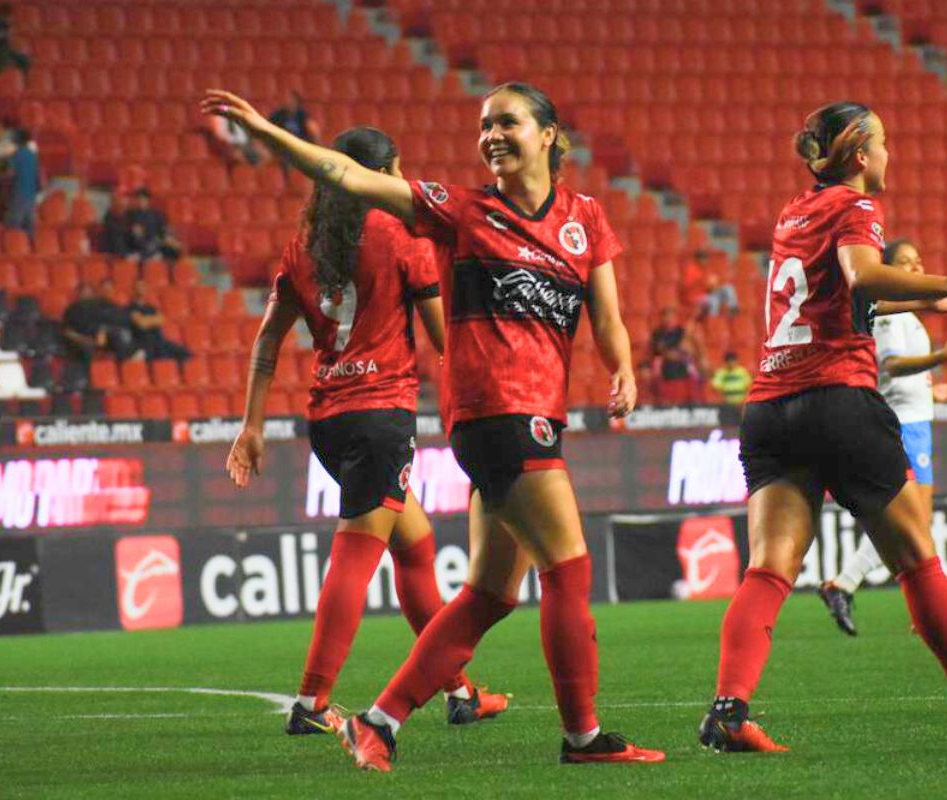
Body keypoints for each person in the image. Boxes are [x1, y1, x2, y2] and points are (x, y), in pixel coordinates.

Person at [204, 82, 663, 769]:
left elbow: (608, 314)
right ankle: (584, 737)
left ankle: (380, 721)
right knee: (568, 570)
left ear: (548, 134)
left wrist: (622, 368)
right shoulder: (462, 210)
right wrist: (268, 134)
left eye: (507, 122)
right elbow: (342, 173)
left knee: (489, 594)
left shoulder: (586, 218)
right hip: (497, 412)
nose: (492, 135)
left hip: (529, 413)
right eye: (484, 126)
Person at [696, 101, 947, 753]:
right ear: (859, 154)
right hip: (837, 400)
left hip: (771, 405)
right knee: (915, 555)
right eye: (883, 143)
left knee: (768, 569)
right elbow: (859, 273)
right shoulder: (856, 208)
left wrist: (921, 299)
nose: (889, 155)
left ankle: (729, 712)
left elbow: (848, 291)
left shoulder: (793, 214)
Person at [227, 126, 509, 738]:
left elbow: (270, 338)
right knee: (356, 556)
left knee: (416, 545)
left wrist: (251, 424)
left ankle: (459, 690)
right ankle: (312, 700)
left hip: (330, 420)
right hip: (382, 416)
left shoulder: (304, 245)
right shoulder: (401, 234)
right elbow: (443, 337)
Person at [818, 238, 947, 635]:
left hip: (915, 419)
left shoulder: (909, 316)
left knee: (915, 525)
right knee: (913, 525)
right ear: (889, 270)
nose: (916, 268)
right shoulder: (889, 316)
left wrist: (934, 390)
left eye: (919, 261)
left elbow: (900, 378)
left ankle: (848, 586)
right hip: (904, 425)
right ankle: (920, 607)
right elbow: (893, 365)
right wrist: (943, 358)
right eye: (905, 262)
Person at [62, 282, 141, 367]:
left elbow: (114, 318)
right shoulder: (72, 310)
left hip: (106, 335)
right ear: (78, 294)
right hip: (85, 338)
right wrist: (84, 339)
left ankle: (125, 368)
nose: (87, 294)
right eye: (84, 292)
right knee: (87, 348)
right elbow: (67, 331)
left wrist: (103, 330)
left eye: (89, 292)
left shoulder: (101, 305)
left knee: (122, 334)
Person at [125, 279, 191, 362]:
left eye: (143, 286)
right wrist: (153, 320)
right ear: (133, 289)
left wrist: (147, 320)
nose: (141, 288)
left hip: (160, 341)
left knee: (185, 353)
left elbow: (162, 320)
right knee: (163, 358)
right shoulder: (130, 308)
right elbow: (142, 323)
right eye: (138, 286)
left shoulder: (151, 307)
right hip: (144, 344)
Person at [648, 306, 704, 404]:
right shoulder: (658, 333)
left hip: (682, 366)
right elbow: (660, 351)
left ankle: (696, 400)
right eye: (666, 316)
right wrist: (673, 354)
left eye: (671, 316)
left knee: (694, 369)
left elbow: (689, 349)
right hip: (665, 367)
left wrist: (682, 352)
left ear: (675, 317)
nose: (668, 319)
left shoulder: (681, 332)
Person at [123, 188, 183, 263]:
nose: (141, 201)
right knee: (138, 238)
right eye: (138, 199)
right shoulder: (130, 215)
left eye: (143, 199)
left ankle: (154, 256)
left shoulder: (156, 215)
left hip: (155, 245)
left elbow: (164, 231)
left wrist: (169, 238)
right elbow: (129, 236)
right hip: (137, 247)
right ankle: (150, 256)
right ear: (135, 200)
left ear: (148, 200)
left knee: (174, 249)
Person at [4, 129, 40, 239]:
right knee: (29, 227)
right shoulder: (33, 155)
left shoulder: (15, 155)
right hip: (31, 194)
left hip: (19, 192)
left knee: (13, 226)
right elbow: (37, 175)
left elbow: (10, 173)